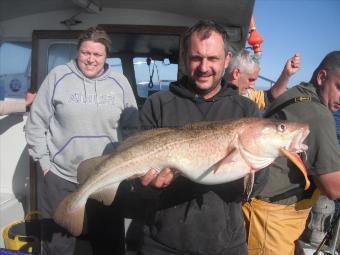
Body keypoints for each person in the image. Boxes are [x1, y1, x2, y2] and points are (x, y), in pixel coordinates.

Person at [133, 20, 266, 255]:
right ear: (184, 57)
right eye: (196, 58)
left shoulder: (247, 112)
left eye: (213, 59)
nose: (204, 67)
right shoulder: (158, 104)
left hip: (226, 245)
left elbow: (255, 190)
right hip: (161, 243)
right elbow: (138, 185)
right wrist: (150, 186)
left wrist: (265, 159)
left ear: (226, 60)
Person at [24, 26, 139, 255]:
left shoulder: (120, 83)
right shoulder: (58, 76)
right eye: (86, 53)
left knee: (109, 240)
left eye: (97, 54)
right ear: (77, 52)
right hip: (61, 175)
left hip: (106, 175)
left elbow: (132, 128)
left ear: (106, 56)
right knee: (58, 243)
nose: (91, 59)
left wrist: (127, 169)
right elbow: (36, 123)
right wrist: (45, 165)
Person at [242, 51, 340, 255]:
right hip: (270, 224)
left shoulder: (294, 94)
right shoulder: (319, 116)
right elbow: (333, 188)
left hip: (254, 211)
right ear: (322, 77)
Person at [225, 49, 300, 110]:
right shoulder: (215, 95)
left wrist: (286, 74)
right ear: (236, 73)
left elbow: (269, 98)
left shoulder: (248, 95)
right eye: (251, 79)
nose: (252, 85)